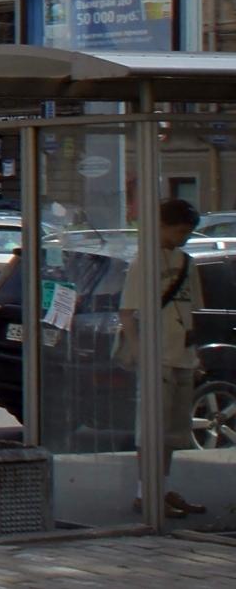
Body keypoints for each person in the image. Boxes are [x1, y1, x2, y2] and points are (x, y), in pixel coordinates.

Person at [123, 199, 208, 520]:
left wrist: (195, 351)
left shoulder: (187, 263)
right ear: (161, 226)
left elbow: (192, 311)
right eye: (180, 231)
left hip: (182, 354)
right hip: (156, 355)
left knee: (172, 430)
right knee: (151, 429)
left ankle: (164, 486)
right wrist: (138, 349)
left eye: (188, 232)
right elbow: (127, 312)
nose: (184, 237)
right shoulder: (143, 262)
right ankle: (146, 492)